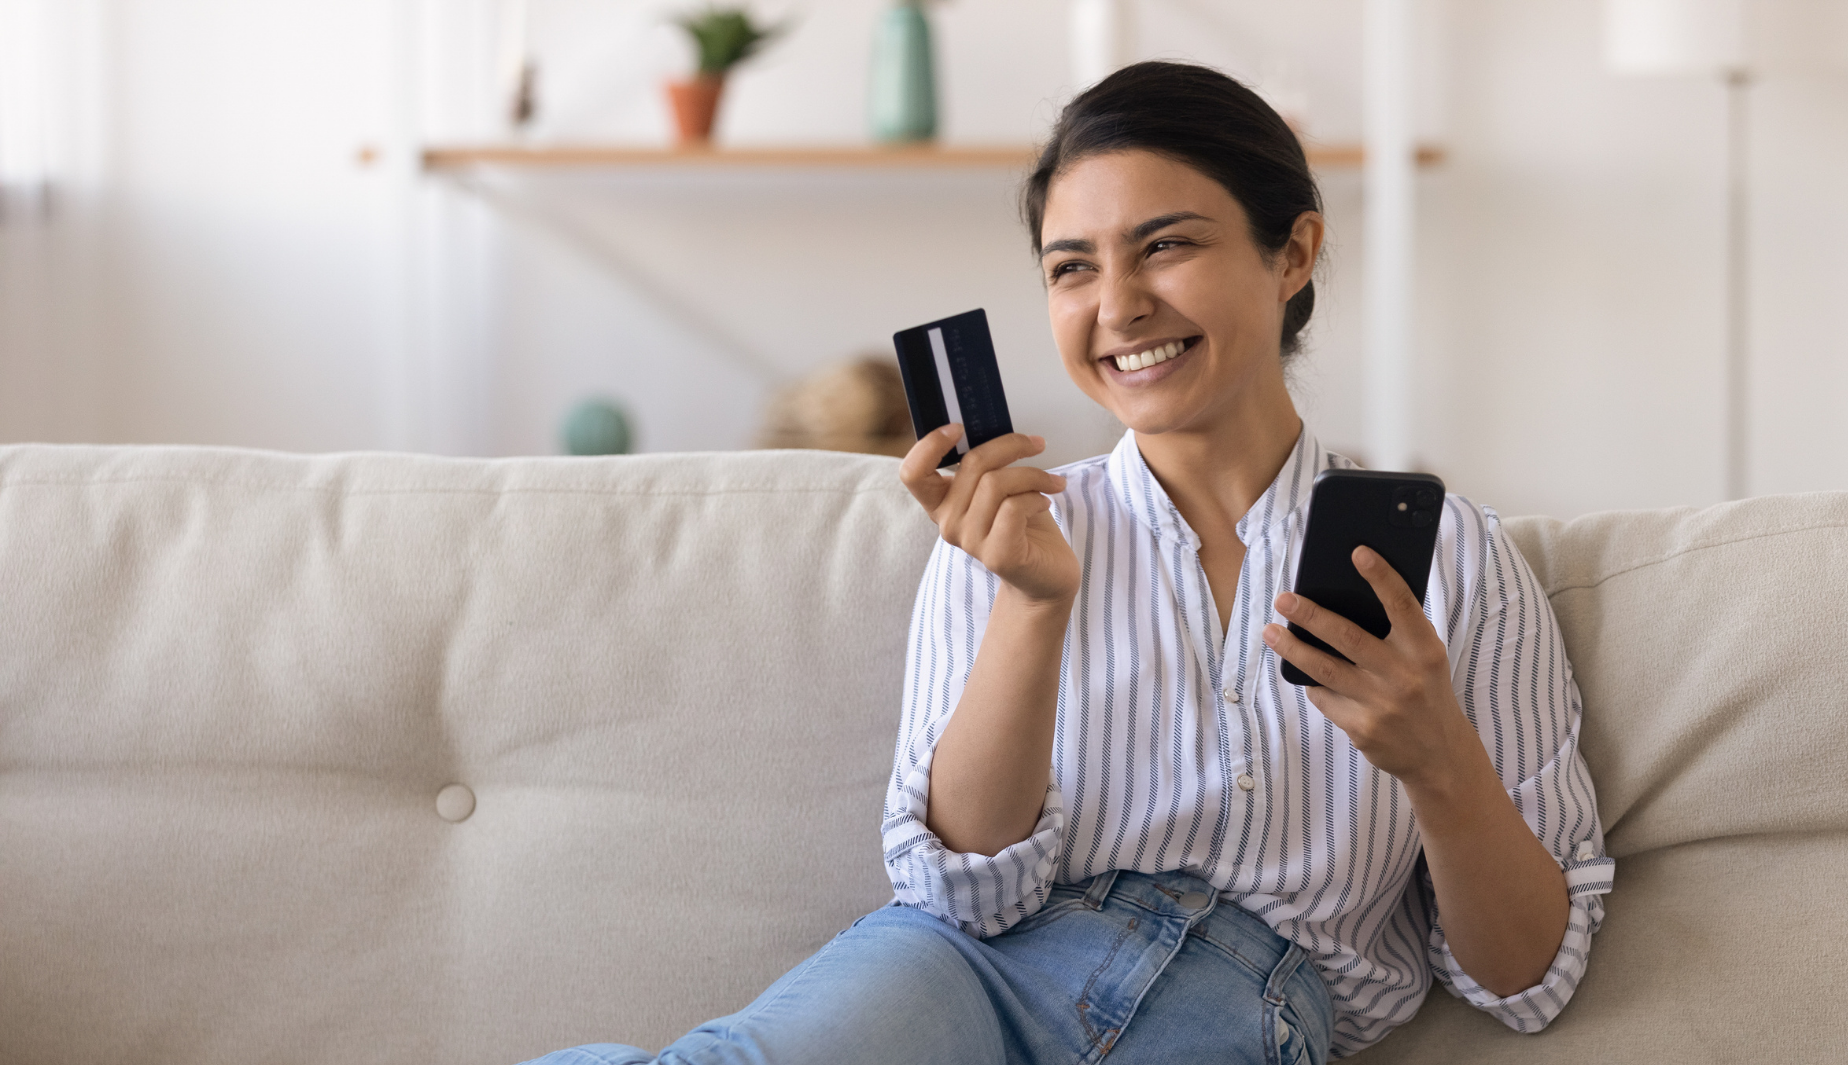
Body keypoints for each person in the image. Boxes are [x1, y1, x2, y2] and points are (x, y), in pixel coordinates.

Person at [522, 60, 1613, 1065]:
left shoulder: (1455, 560)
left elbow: (1526, 983)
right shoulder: (1011, 533)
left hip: (1250, 1003)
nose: (1118, 305)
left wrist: (1439, 762)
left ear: (1294, 254)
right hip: (967, 973)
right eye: (1072, 268)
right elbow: (960, 886)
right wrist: (1032, 608)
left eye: (1166, 245)